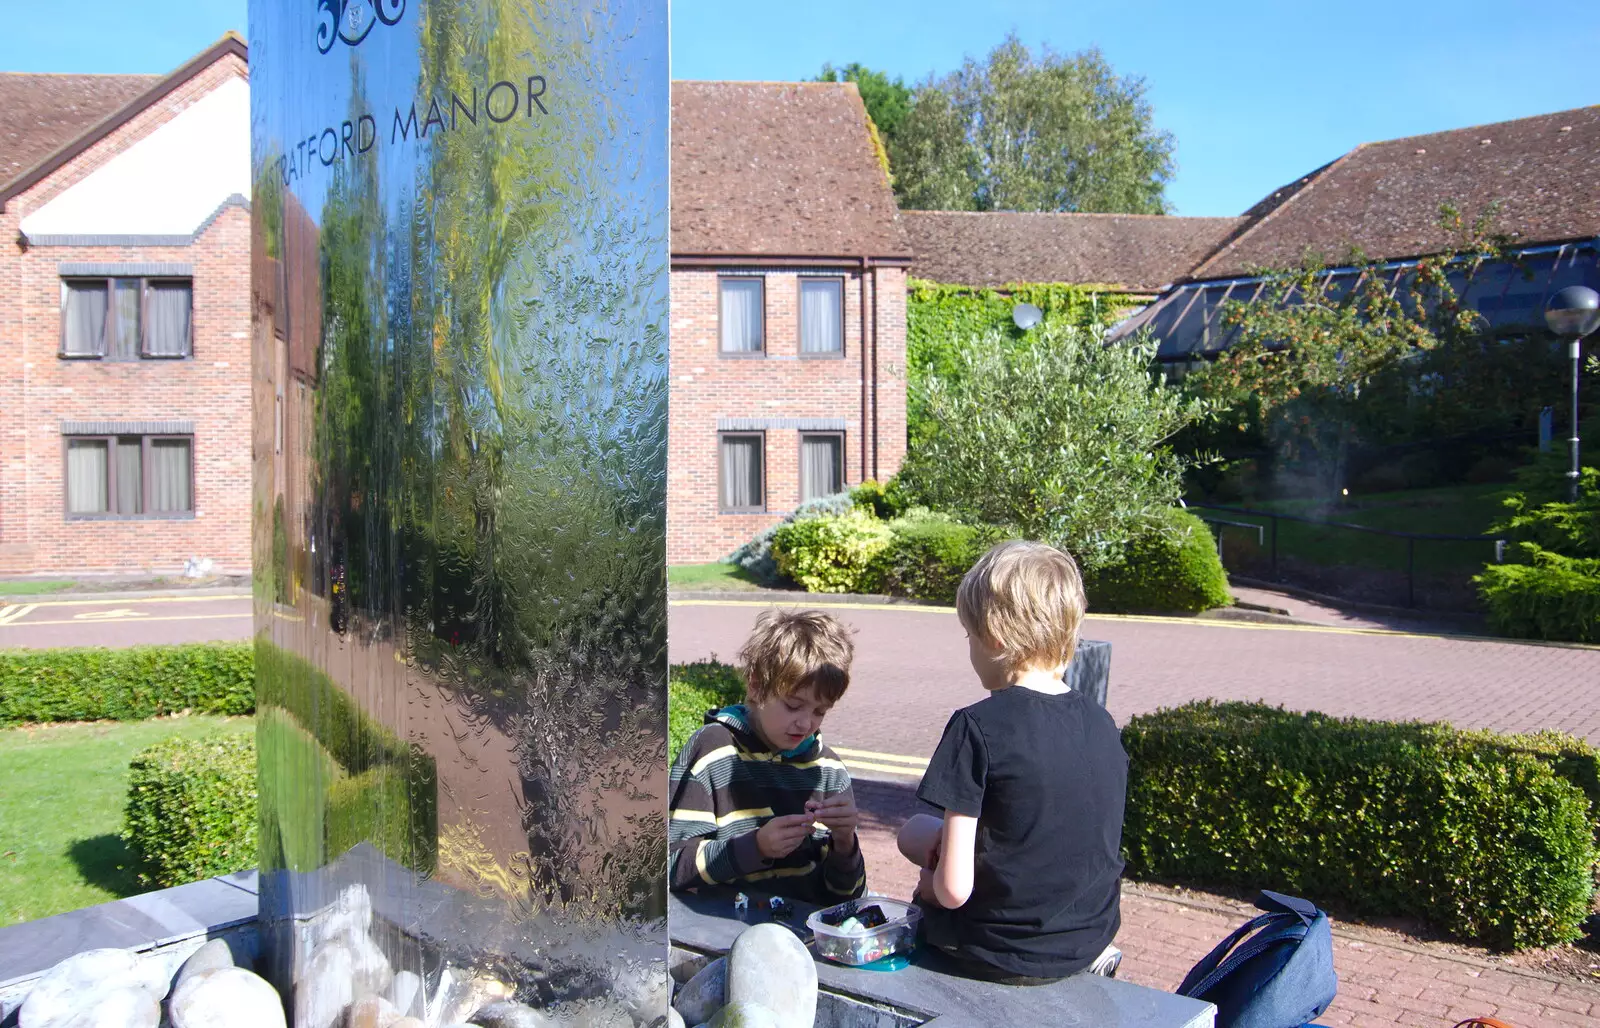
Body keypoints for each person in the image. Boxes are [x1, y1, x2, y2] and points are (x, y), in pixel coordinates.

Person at [899, 540, 1127, 984]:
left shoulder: (976, 726)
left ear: (995, 636)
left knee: (915, 836)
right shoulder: (1101, 723)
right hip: (1084, 940)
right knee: (915, 833)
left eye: (969, 636)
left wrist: (928, 887)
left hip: (994, 951)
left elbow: (953, 891)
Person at [669, 608, 867, 904]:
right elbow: (672, 866)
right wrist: (755, 848)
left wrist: (844, 841)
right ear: (757, 686)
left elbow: (847, 896)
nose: (805, 723)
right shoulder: (714, 750)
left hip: (797, 938)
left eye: (819, 711)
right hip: (719, 935)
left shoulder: (828, 769)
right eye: (793, 705)